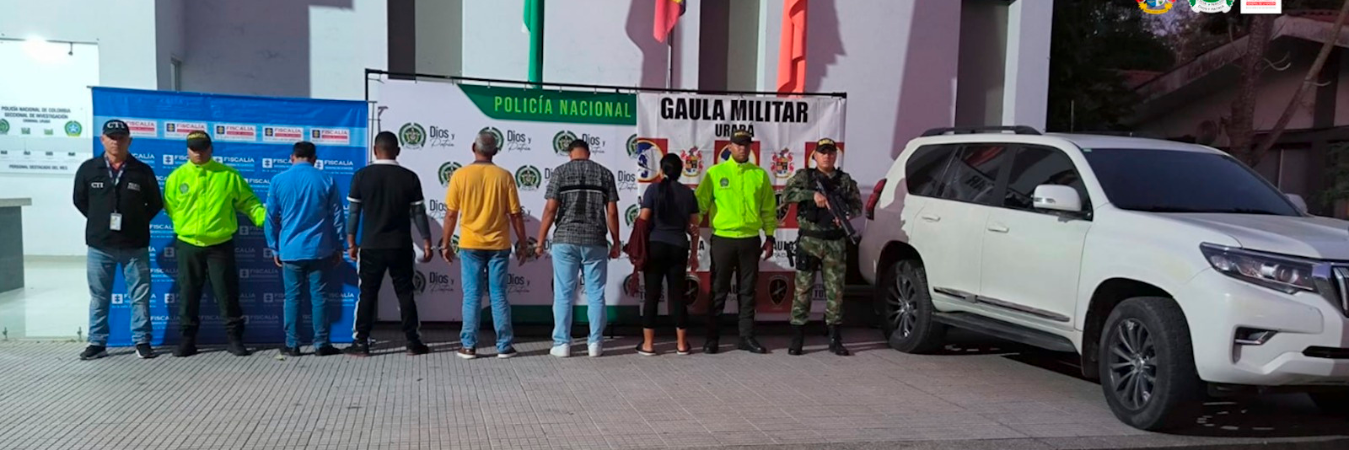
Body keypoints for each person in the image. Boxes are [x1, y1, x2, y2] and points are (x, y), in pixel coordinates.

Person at [163, 131, 266, 357]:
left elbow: (249, 202)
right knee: (189, 293)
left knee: (227, 293)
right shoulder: (176, 177)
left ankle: (234, 339)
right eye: (193, 148)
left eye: (202, 148)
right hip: (188, 244)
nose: (198, 153)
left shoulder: (229, 175)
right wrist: (187, 227)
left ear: (211, 148)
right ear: (187, 149)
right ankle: (187, 340)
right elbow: (170, 208)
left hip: (220, 244)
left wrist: (264, 220)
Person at [72, 119, 163, 360]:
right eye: (111, 137)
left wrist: (135, 222)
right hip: (100, 246)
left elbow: (155, 203)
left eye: (121, 137)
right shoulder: (88, 169)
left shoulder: (142, 170)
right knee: (99, 298)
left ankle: (142, 340)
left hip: (135, 245)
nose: (116, 141)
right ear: (102, 140)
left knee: (140, 297)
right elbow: (80, 201)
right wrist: (100, 221)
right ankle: (97, 342)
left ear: (129, 141)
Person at [344, 131, 434, 357]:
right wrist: (426, 242)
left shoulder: (361, 176)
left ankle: (361, 343)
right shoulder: (409, 177)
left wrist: (351, 241)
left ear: (375, 150)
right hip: (400, 246)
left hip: (371, 246)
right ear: (398, 151)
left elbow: (353, 213)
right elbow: (419, 214)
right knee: (405, 294)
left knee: (367, 294)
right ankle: (413, 342)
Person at [442, 131, 529, 360]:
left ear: (473, 147)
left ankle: (469, 346)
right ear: (496, 151)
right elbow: (516, 214)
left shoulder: (460, 175)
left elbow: (451, 214)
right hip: (499, 244)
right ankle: (504, 346)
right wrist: (522, 242)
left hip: (470, 244)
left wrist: (445, 243)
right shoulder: (504, 176)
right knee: (499, 294)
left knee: (471, 295)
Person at [534, 139, 621, 358]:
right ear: (589, 153)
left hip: (565, 239)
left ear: (570, 153)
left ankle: (562, 343)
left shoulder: (560, 172)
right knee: (596, 294)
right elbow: (612, 212)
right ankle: (596, 343)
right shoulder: (605, 174)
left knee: (563, 294)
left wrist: (540, 240)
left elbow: (550, 209)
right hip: (595, 240)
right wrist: (616, 241)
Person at [694, 130, 777, 354]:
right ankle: (712, 339)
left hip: (750, 239)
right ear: (729, 147)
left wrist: (769, 237)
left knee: (748, 290)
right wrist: (687, 224)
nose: (743, 148)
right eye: (738, 144)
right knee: (718, 289)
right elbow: (699, 205)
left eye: (746, 145)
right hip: (723, 239)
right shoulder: (715, 173)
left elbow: (769, 210)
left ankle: (746, 337)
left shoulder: (759, 175)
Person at [780, 138, 861, 356]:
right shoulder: (805, 177)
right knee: (803, 290)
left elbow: (857, 206)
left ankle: (835, 338)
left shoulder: (844, 181)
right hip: (810, 240)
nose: (827, 156)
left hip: (835, 242)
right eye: (823, 152)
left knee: (836, 291)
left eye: (831, 152)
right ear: (815, 155)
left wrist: (845, 215)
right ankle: (797, 338)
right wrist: (811, 194)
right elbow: (786, 195)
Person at [264, 141, 345, 357]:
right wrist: (339, 246)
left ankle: (292, 345)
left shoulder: (278, 180)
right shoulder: (326, 179)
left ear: (292, 157)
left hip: (290, 249)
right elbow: (337, 216)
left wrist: (274, 248)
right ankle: (321, 344)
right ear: (314, 159)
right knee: (319, 297)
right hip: (320, 249)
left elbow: (270, 218)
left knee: (292, 297)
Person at [635, 153, 700, 356]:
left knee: (652, 295)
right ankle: (681, 344)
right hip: (679, 246)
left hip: (655, 245)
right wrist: (694, 254)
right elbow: (695, 227)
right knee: (678, 296)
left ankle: (648, 345)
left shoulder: (653, 189)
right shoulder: (688, 193)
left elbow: (644, 220)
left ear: (661, 171)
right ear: (681, 172)